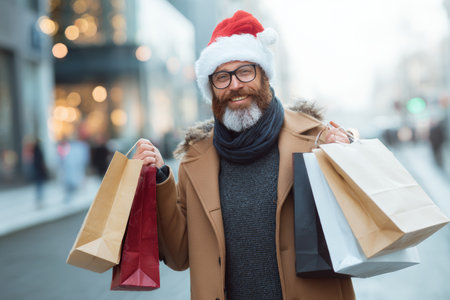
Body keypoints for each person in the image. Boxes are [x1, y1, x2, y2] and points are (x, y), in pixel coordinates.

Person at [133, 10, 355, 300]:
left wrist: (347, 158)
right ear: (211, 89)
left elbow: (356, 228)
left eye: (245, 71)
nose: (235, 85)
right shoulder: (194, 160)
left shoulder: (316, 141)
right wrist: (161, 178)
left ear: (264, 76)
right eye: (222, 77)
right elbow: (178, 256)